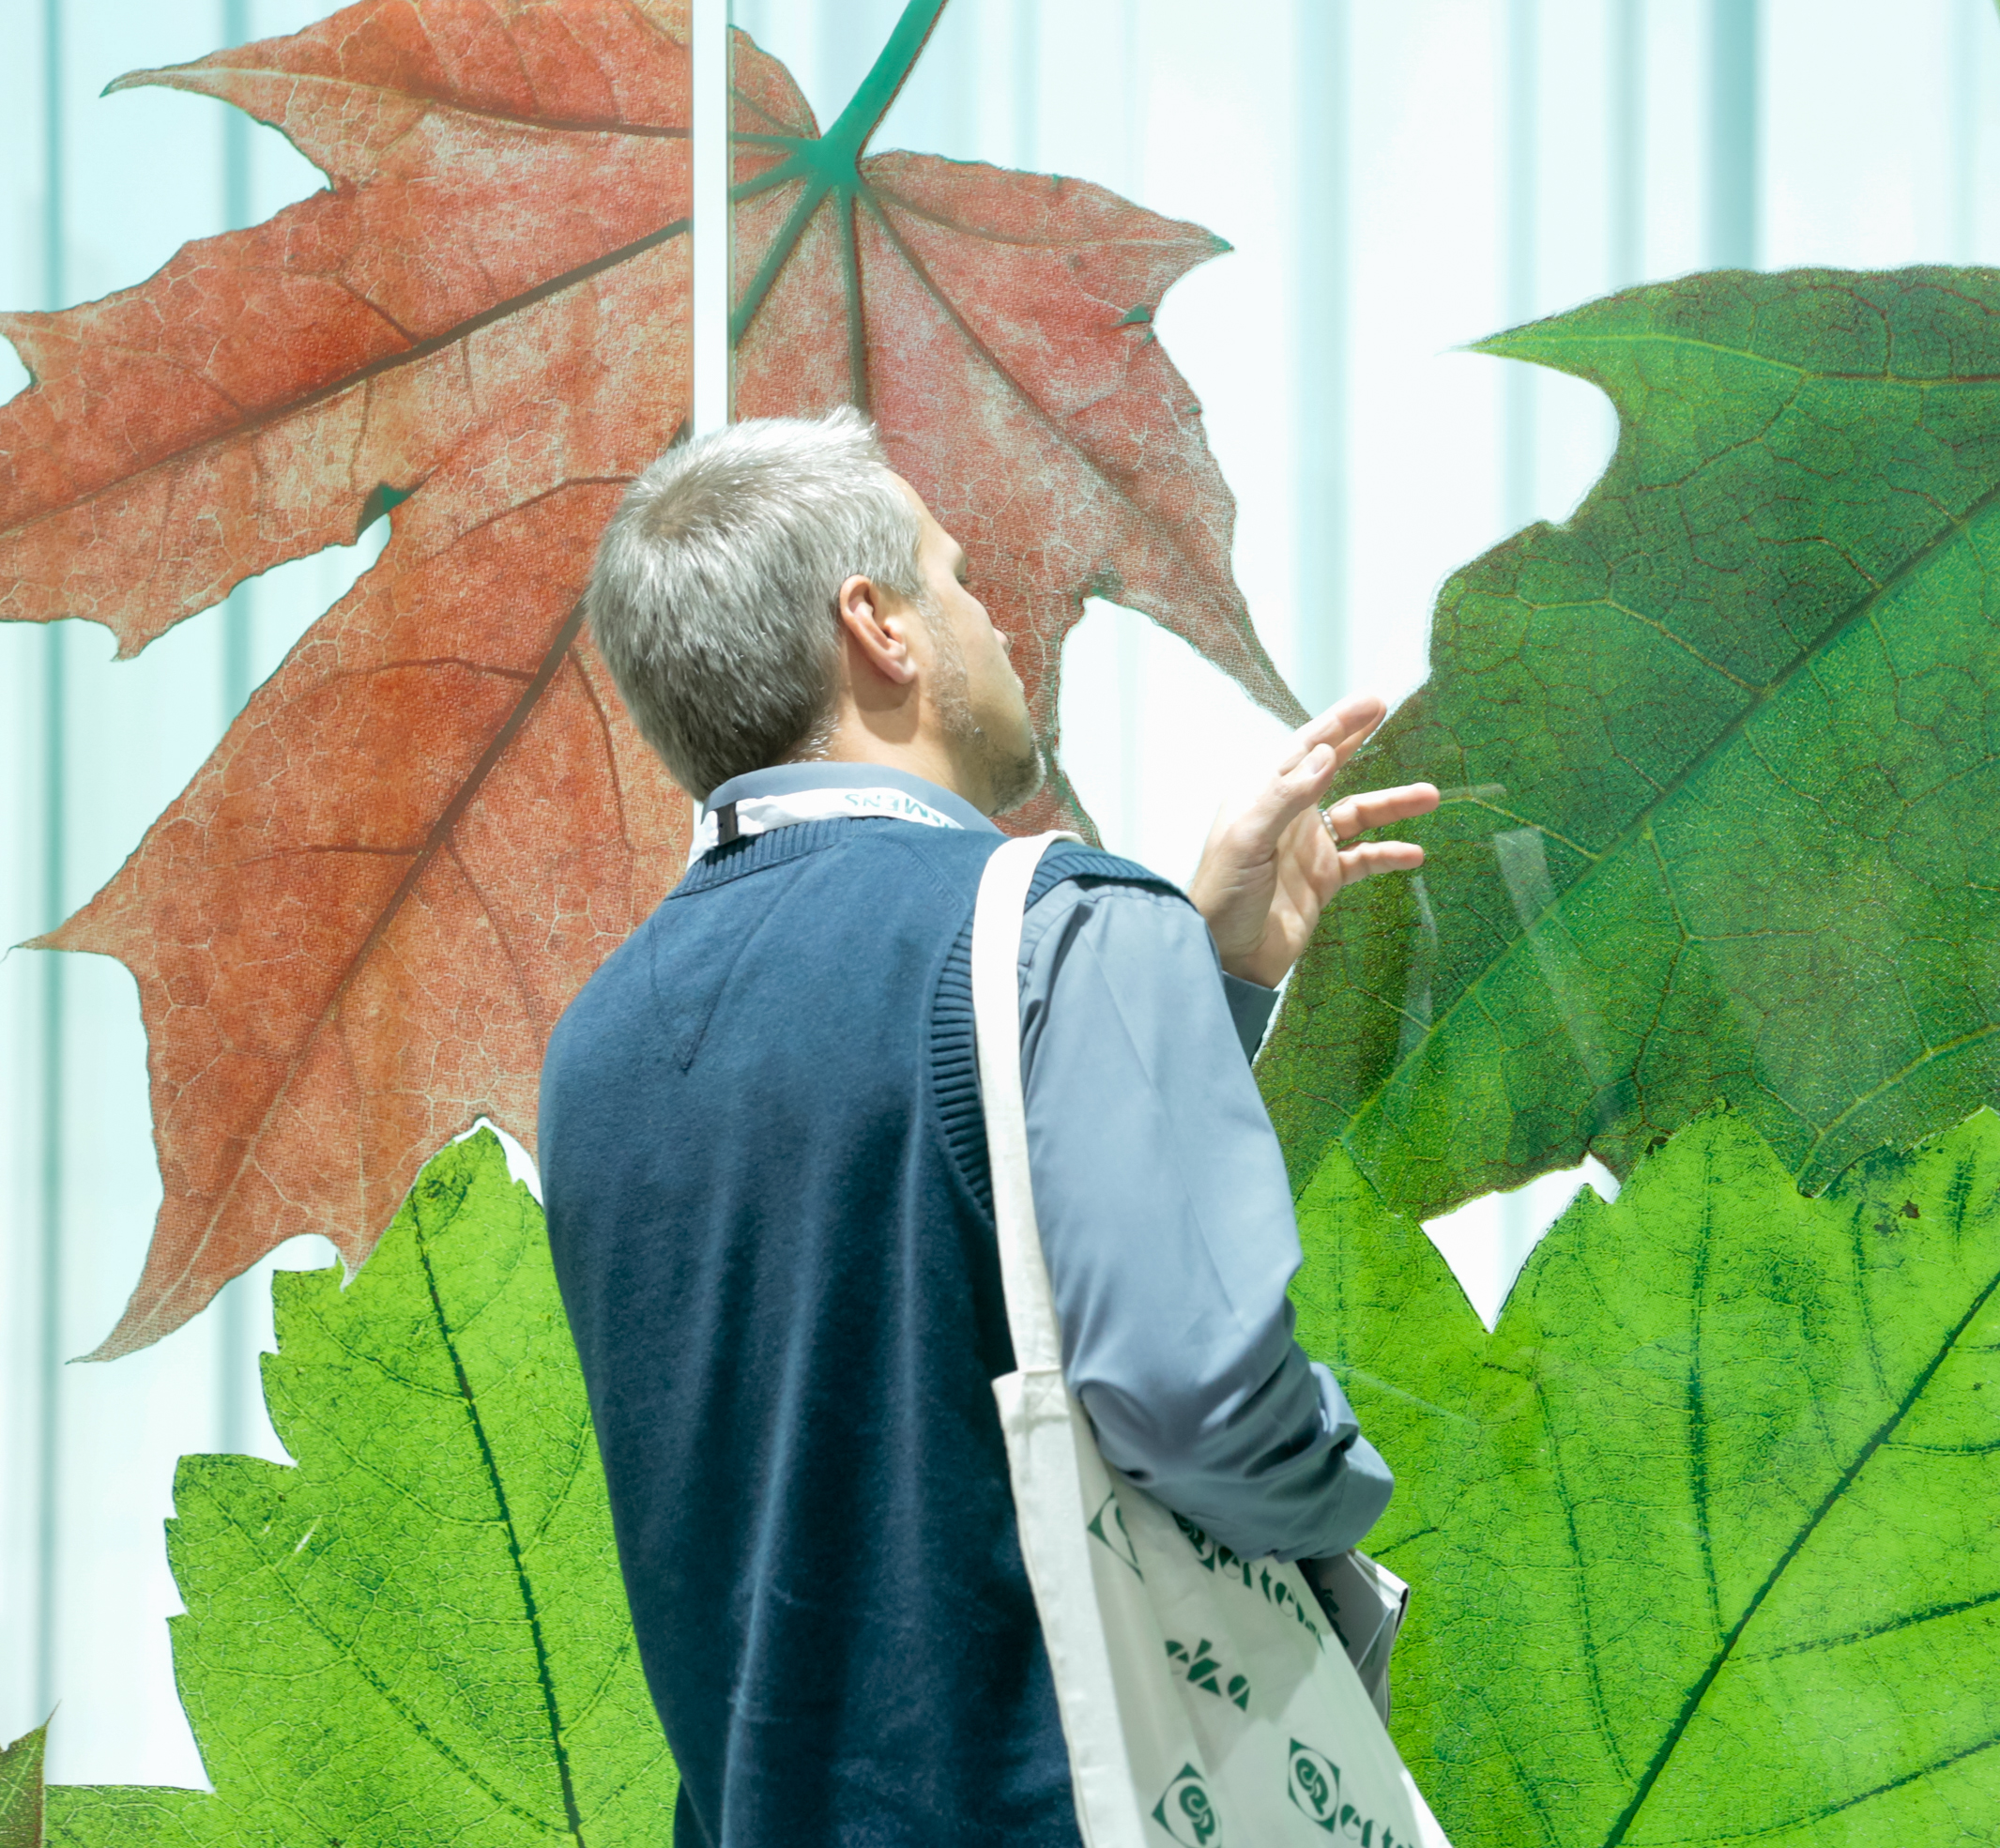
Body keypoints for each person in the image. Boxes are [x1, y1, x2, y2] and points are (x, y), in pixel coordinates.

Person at [538, 408, 1439, 1848]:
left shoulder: (594, 1045)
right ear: (877, 627)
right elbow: (1198, 1400)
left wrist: (1191, 976)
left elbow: (876, 1312)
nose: (996, 623)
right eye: (956, 578)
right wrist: (1348, 1479)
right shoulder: (1062, 928)